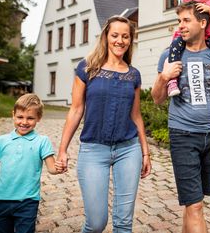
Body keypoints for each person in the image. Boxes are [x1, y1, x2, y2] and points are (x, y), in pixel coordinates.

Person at [55, 15, 152, 233]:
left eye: (125, 36)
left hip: (128, 150)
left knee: (124, 223)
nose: (120, 40)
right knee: (96, 223)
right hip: (93, 150)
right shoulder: (87, 68)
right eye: (115, 35)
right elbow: (76, 109)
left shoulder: (133, 75)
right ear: (106, 37)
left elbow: (136, 115)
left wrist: (145, 152)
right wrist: (62, 149)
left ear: (130, 40)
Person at [151, 1, 210, 233]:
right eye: (179, 21)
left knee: (194, 204)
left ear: (203, 22)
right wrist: (163, 77)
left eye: (186, 20)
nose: (181, 26)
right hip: (183, 135)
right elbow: (157, 98)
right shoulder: (169, 55)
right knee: (195, 205)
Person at [0, 93, 61, 233]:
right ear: (13, 115)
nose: (24, 122)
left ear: (38, 118)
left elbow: (52, 168)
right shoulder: (2, 141)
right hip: (1, 200)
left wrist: (59, 167)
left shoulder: (42, 141)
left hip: (28, 202)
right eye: (20, 117)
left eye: (30, 118)